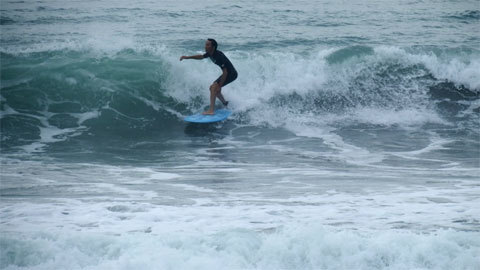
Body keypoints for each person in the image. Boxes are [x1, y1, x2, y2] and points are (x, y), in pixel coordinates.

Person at [180, 38, 238, 115]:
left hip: (231, 74)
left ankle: (211, 111)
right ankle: (225, 103)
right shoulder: (210, 53)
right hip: (228, 73)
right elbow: (201, 57)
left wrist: (220, 86)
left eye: (208, 45)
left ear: (213, 47)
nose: (205, 46)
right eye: (205, 44)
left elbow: (225, 72)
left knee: (214, 87)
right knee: (212, 88)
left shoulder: (218, 56)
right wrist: (187, 57)